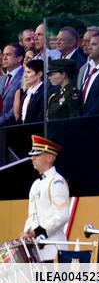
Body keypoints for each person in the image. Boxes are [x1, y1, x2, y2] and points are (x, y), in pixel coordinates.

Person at [22, 135, 70, 265]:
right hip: (36, 250)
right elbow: (32, 215)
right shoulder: (35, 184)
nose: (32, 158)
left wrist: (37, 232)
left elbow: (61, 215)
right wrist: (26, 232)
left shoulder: (57, 182)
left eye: (37, 154)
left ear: (49, 158)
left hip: (53, 250)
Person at [13, 58, 45, 124]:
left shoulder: (44, 92)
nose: (25, 76)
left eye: (28, 72)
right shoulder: (26, 93)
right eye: (25, 72)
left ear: (39, 74)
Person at [0, 44, 25, 126]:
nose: (4, 58)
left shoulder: (25, 77)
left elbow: (18, 106)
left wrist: (1, 120)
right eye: (3, 54)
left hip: (13, 127)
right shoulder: (2, 79)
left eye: (8, 54)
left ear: (19, 58)